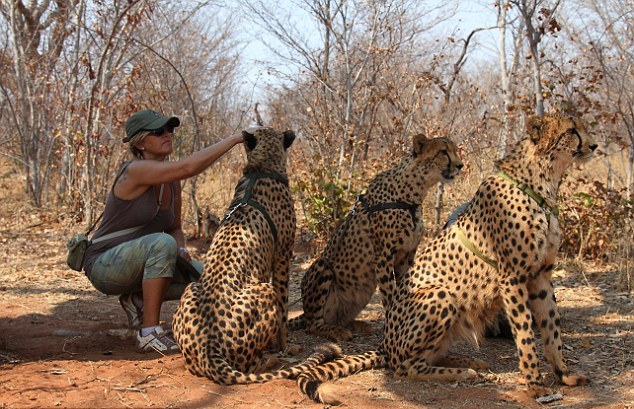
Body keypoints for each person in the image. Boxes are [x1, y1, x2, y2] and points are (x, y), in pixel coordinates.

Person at [82, 109, 245, 354]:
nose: (167, 134)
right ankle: (149, 333)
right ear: (140, 142)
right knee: (162, 244)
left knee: (214, 275)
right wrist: (237, 138)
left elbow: (174, 228)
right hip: (105, 265)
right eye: (159, 131)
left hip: (141, 261)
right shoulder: (135, 170)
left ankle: (138, 298)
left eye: (169, 129)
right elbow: (189, 167)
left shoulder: (171, 181)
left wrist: (180, 248)